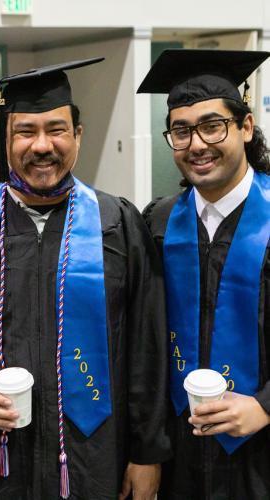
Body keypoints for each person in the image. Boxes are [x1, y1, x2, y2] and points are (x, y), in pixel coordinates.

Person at [0, 58, 171, 499]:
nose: (42, 145)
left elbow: (146, 344)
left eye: (57, 129)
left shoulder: (116, 225)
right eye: (25, 131)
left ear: (78, 135)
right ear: (5, 139)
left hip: (95, 456)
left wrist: (147, 452)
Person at [138, 49, 270, 499]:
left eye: (212, 125)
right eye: (181, 130)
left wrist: (266, 406)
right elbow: (141, 343)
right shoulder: (155, 223)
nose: (196, 144)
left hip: (262, 451)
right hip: (181, 450)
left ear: (246, 127)